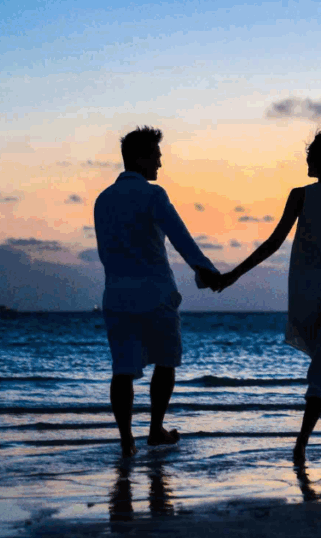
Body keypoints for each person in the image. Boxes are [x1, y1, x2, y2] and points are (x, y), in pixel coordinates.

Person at [216, 130, 321, 463]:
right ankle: (301, 445)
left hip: (306, 299)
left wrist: (234, 275)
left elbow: (273, 244)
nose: (306, 159)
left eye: (311, 154)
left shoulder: (301, 196)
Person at [94, 125, 221, 458]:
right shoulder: (154, 195)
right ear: (140, 157)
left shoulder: (102, 200)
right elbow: (180, 238)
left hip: (117, 296)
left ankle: (126, 440)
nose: (160, 165)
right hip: (155, 294)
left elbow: (105, 250)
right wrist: (206, 271)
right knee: (166, 363)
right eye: (156, 157)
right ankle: (155, 429)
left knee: (122, 370)